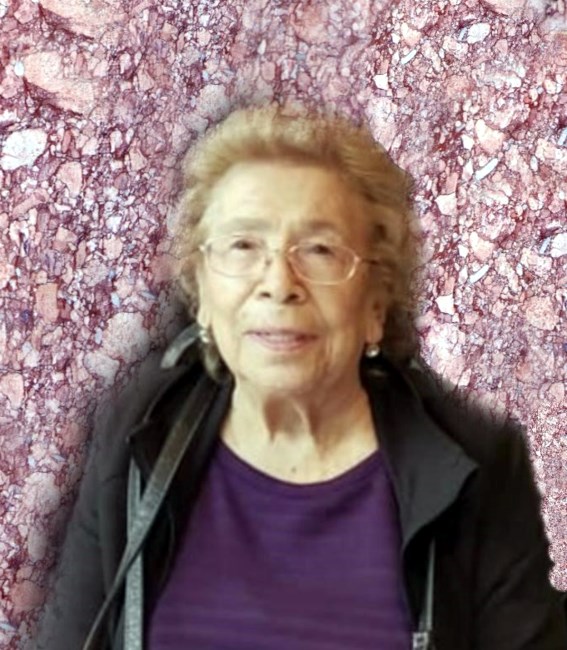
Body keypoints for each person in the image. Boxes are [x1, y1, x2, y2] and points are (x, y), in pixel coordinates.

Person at [37, 106, 567, 650]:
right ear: (203, 296)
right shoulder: (138, 437)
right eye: (244, 245)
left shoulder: (476, 466)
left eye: (319, 250)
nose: (278, 282)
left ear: (376, 304)